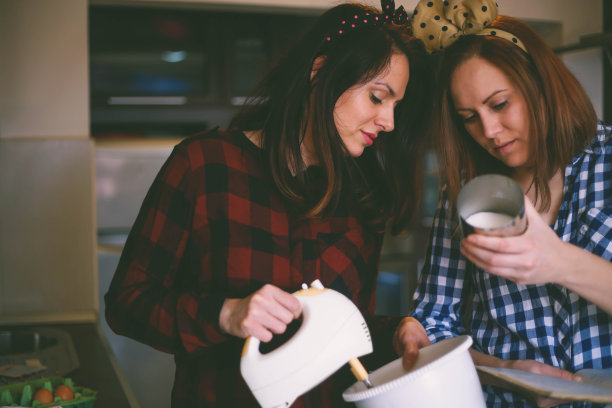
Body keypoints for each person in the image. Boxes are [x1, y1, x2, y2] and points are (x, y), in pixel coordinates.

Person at [104, 1, 431, 407]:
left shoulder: (361, 200)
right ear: (320, 73)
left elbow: (345, 331)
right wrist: (226, 315)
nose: (389, 122)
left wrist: (396, 331)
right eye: (378, 97)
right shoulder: (205, 165)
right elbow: (126, 303)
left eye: (396, 106)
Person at [392, 1, 612, 407]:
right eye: (468, 117)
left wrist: (560, 262)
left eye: (499, 104)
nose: (489, 131)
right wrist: (505, 371)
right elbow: (434, 320)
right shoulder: (464, 191)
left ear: (541, 85)